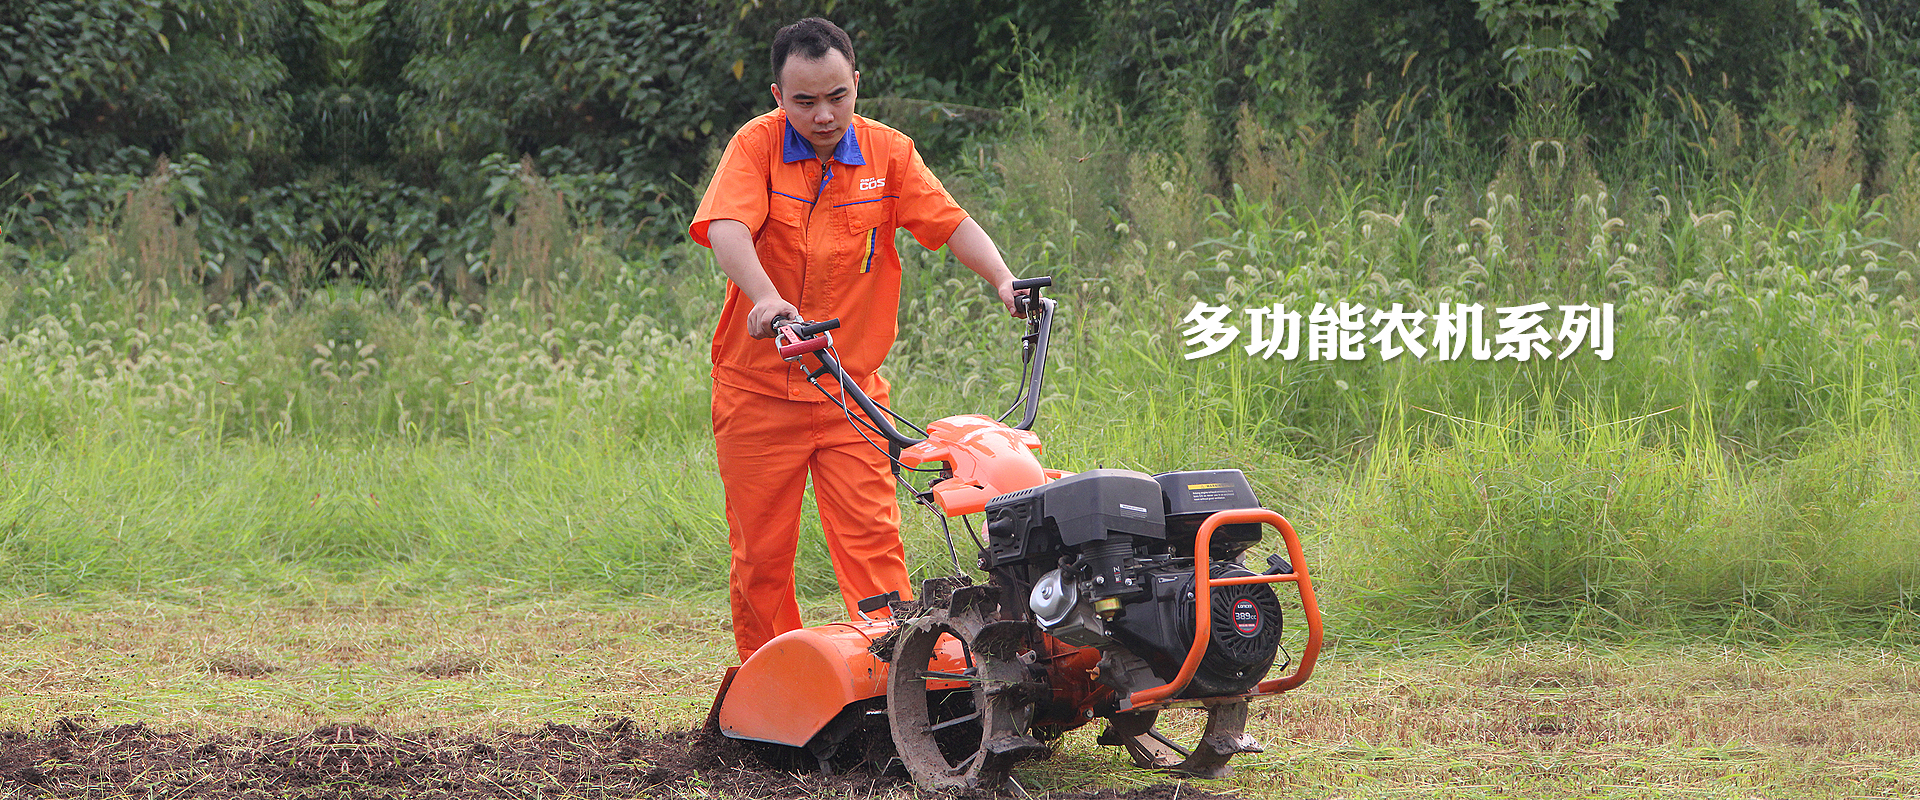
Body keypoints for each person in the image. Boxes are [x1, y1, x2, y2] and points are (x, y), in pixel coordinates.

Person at [688, 17, 1021, 662]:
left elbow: (950, 223)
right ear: (778, 96)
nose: (823, 115)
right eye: (804, 101)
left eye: (837, 96)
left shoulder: (888, 153)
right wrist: (766, 298)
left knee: (874, 545)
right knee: (761, 557)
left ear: (856, 85)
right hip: (757, 393)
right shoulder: (755, 146)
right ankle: (772, 688)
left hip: (850, 394)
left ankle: (901, 685)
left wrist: (1004, 279)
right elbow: (726, 226)